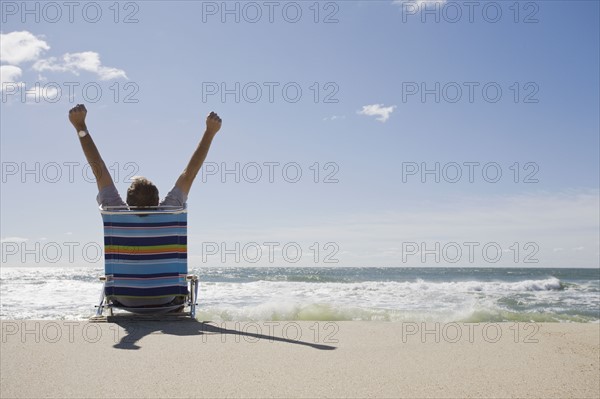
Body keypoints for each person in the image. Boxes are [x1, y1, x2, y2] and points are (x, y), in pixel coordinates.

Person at [68, 104, 222, 307]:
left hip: (123, 298)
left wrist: (80, 126)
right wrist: (210, 133)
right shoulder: (171, 209)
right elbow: (190, 172)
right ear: (158, 202)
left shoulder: (115, 212)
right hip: (167, 297)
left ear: (127, 201)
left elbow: (98, 166)